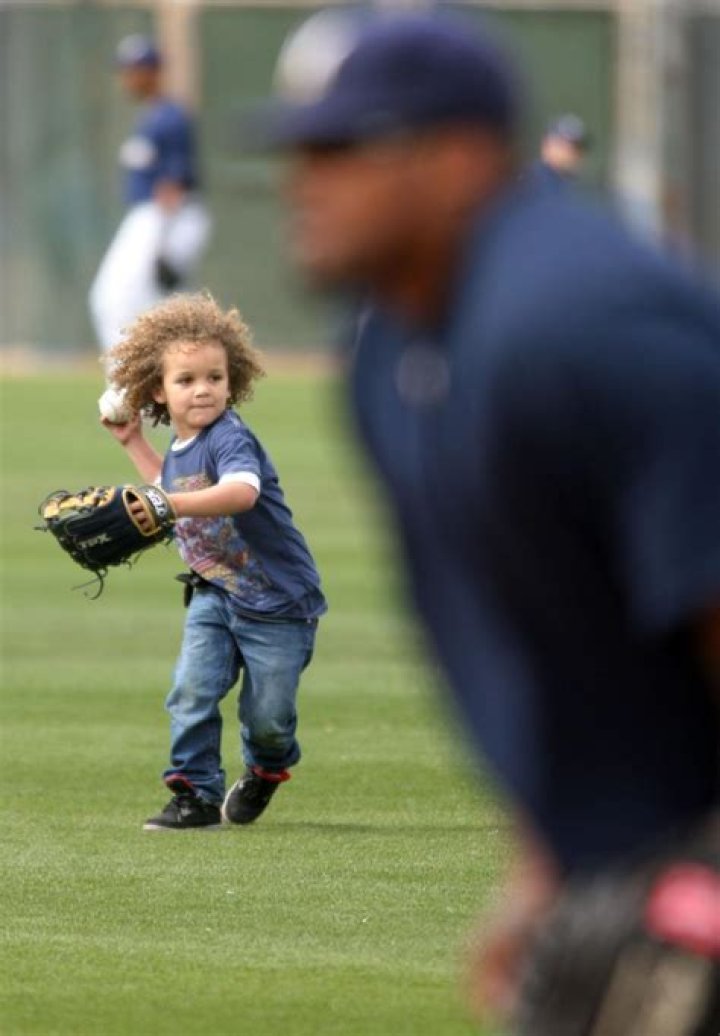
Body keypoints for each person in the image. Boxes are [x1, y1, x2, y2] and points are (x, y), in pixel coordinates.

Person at [258, 11, 720, 1033]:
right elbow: (551, 655)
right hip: (619, 866)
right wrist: (543, 867)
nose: (302, 180)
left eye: (341, 148)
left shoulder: (579, 326)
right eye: (295, 149)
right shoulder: (391, 356)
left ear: (462, 154)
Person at [102, 292, 326, 830]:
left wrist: (168, 506)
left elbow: (241, 492)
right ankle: (196, 795)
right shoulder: (181, 446)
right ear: (157, 390)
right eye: (186, 380)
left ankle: (267, 769)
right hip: (214, 594)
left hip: (279, 602)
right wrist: (133, 442)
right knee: (191, 691)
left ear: (233, 381)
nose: (203, 389)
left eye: (215, 377)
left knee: (268, 719)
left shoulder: (230, 437)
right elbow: (171, 484)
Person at [89, 35, 211, 358]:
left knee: (113, 298)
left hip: (163, 216)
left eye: (136, 69)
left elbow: (173, 183)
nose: (128, 77)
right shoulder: (151, 116)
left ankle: (132, 386)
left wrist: (165, 241)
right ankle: (143, 385)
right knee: (149, 304)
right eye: (125, 70)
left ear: (155, 71)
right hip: (153, 216)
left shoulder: (169, 117)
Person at [528, 113, 590, 191]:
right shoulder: (531, 181)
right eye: (568, 146)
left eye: (579, 147)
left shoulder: (572, 184)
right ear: (547, 144)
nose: (575, 153)